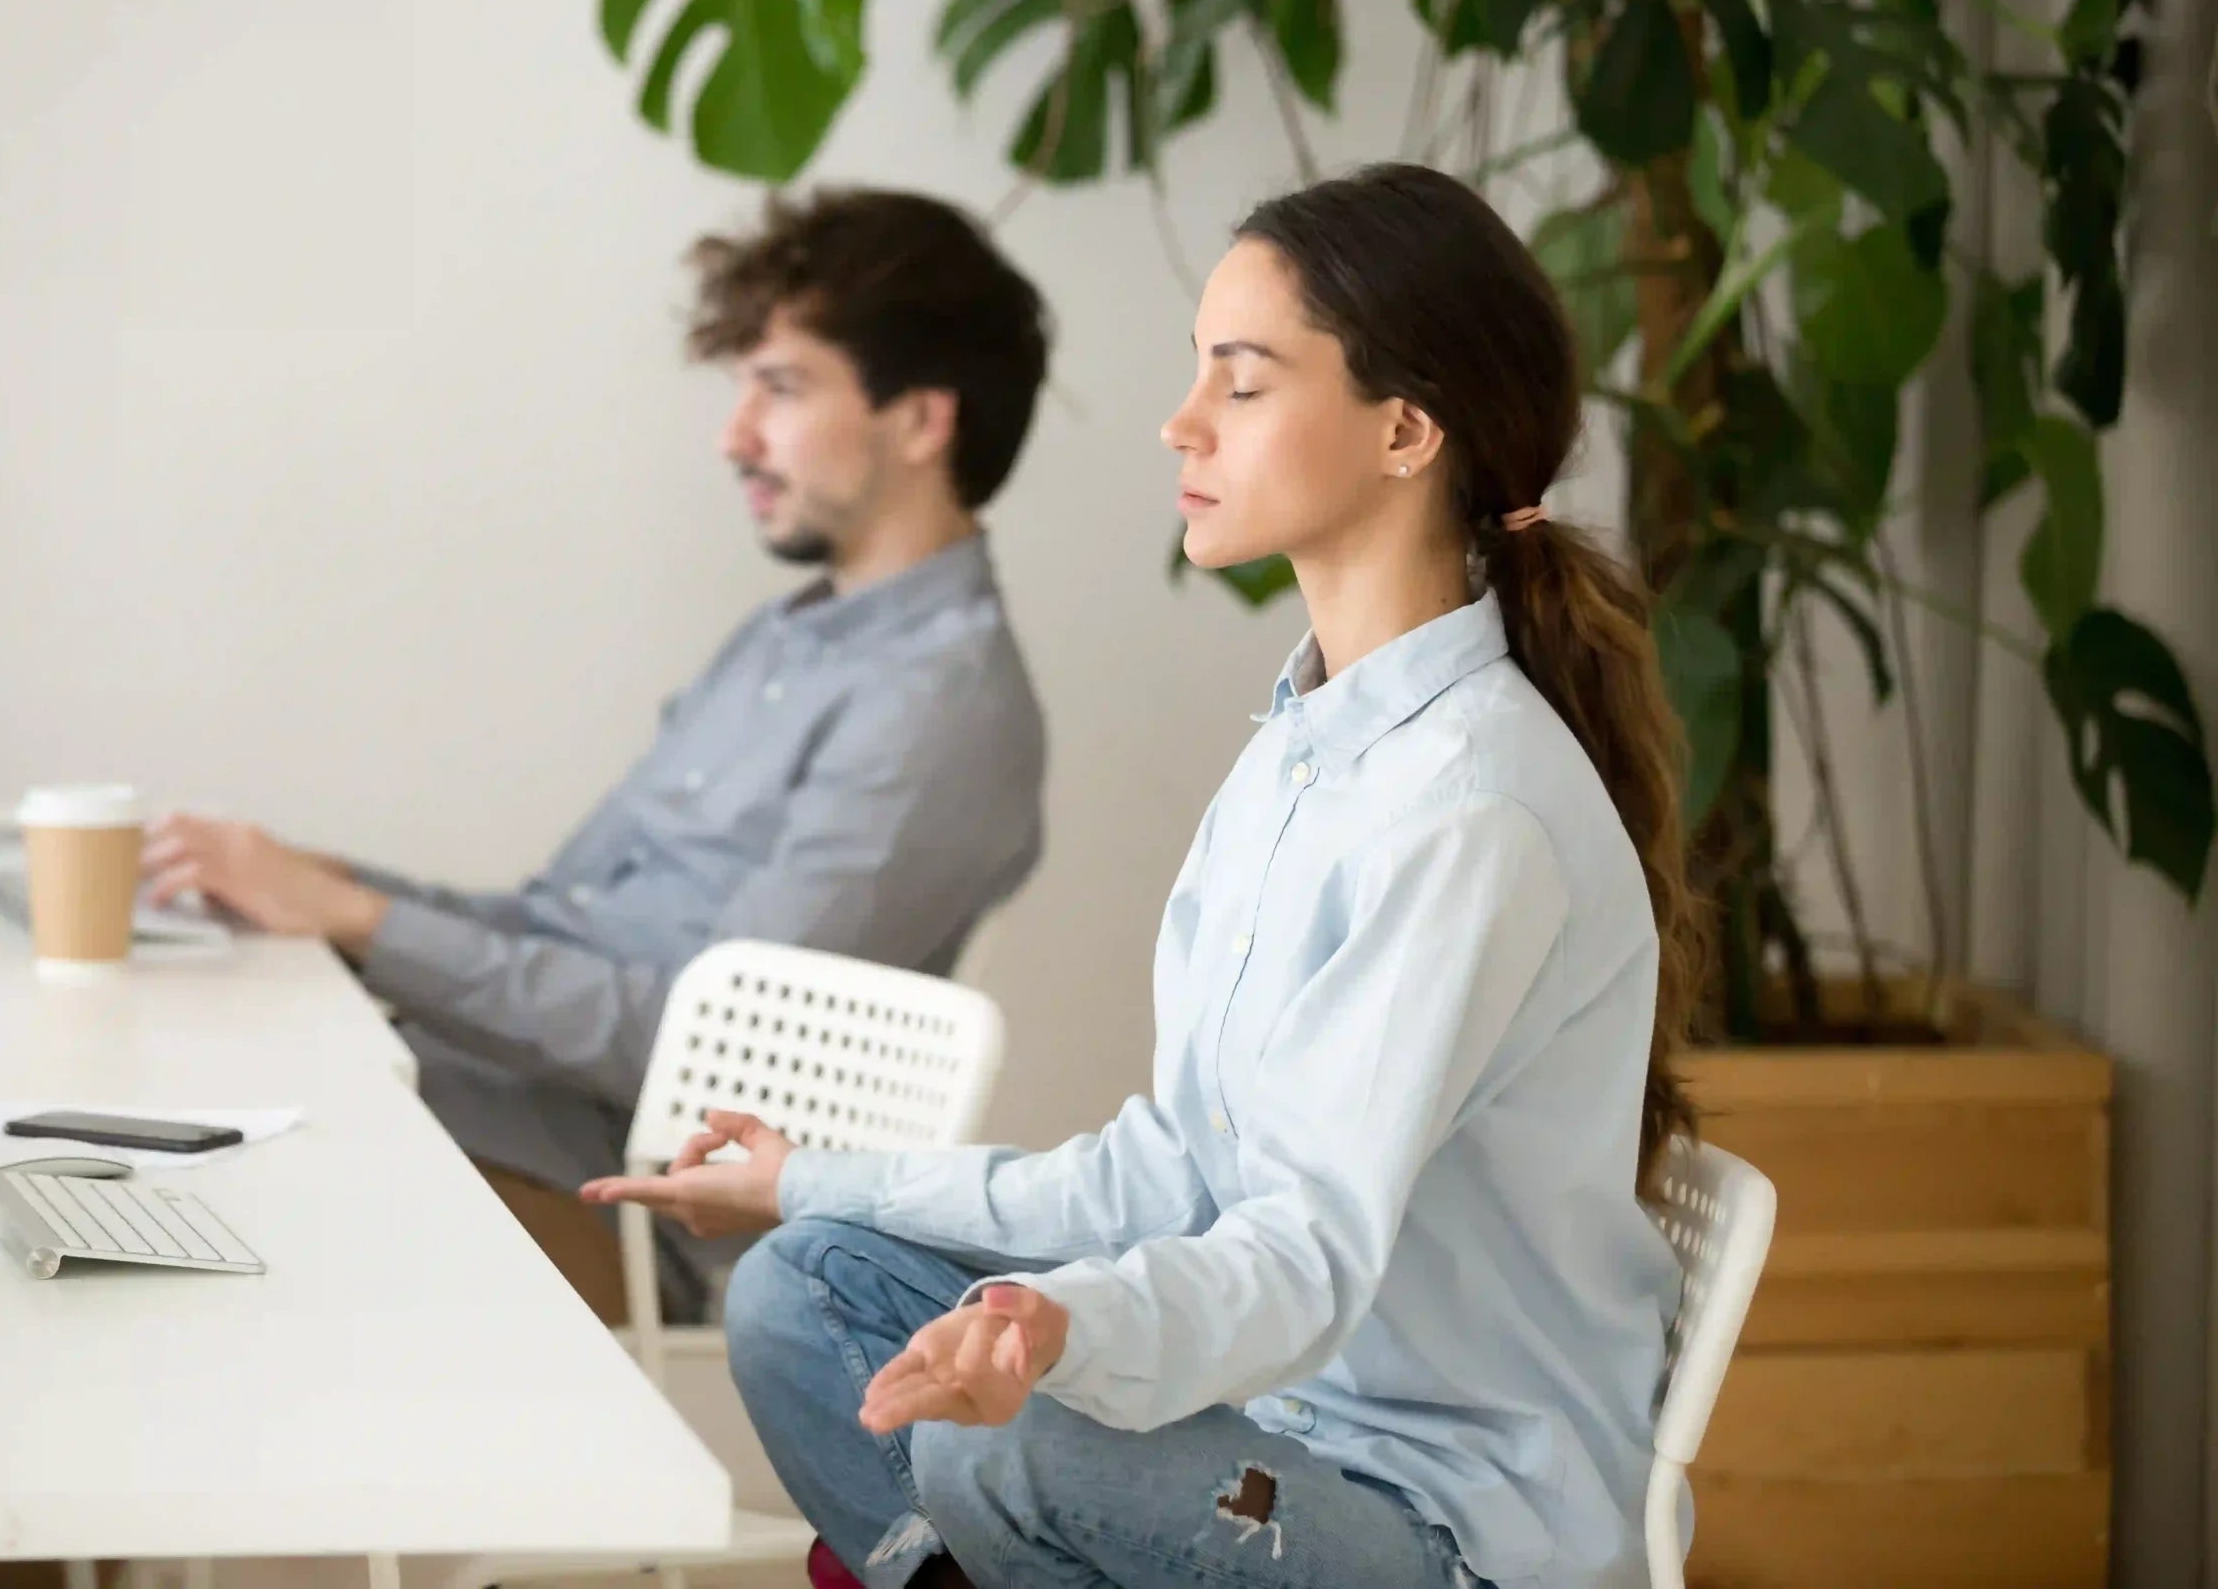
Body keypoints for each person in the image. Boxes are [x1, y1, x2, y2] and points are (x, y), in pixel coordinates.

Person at [583, 163, 1707, 1589]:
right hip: (1271, 1424)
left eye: (1241, 384)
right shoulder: (1308, 742)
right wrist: (807, 1174)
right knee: (806, 1281)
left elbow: (1302, 1253)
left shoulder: (1470, 810)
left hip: (1433, 1515)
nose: (1180, 423)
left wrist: (1060, 1331)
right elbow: (1171, 1167)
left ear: (1406, 428)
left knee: (1010, 1441)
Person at [146, 188, 1053, 1322]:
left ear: (921, 422)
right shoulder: (786, 641)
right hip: (502, 1114)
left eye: (779, 388)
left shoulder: (940, 712)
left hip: (622, 1214)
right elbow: (557, 919)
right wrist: (321, 888)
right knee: (162, 1083)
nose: (735, 439)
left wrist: (358, 924)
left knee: (213, 1187)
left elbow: (711, 1064)